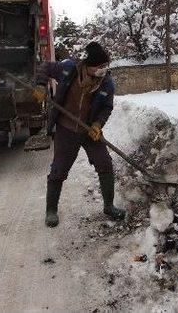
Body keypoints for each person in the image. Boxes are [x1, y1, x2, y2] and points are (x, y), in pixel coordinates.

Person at [33, 41, 126, 227]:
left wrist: (98, 124)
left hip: (89, 131)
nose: (103, 69)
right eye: (100, 66)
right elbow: (44, 67)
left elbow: (106, 107)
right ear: (89, 65)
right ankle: (51, 210)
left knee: (105, 163)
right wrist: (41, 85)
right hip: (66, 129)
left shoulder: (107, 83)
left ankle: (109, 206)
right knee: (59, 170)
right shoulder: (69, 69)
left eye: (105, 66)